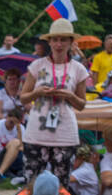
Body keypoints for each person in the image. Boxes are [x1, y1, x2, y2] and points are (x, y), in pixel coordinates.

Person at [20, 19, 89, 181]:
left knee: (62, 185)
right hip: (37, 131)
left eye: (63, 39)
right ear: (49, 42)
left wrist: (70, 96)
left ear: (71, 42)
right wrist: (37, 92)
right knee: (32, 184)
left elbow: (81, 105)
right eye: (55, 39)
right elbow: (23, 98)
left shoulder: (78, 69)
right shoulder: (37, 65)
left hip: (65, 133)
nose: (59, 44)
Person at [89, 35, 112, 99]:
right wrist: (96, 89)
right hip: (101, 89)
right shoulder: (98, 57)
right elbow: (95, 74)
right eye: (111, 44)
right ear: (105, 44)